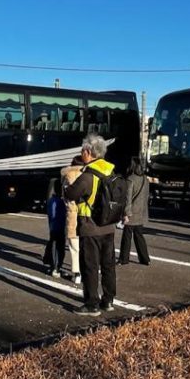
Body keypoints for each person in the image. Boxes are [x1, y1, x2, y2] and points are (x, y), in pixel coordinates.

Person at [65, 133, 119, 316]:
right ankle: (108, 300)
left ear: (88, 152)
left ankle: (91, 304)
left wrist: (66, 187)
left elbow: (71, 194)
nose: (81, 153)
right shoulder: (110, 171)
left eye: (83, 150)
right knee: (108, 265)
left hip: (90, 227)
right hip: (109, 226)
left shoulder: (88, 175)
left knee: (90, 266)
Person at [118, 156, 150, 265]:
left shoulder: (130, 179)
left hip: (132, 212)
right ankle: (145, 259)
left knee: (127, 237)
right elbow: (146, 196)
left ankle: (124, 259)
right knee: (139, 236)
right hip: (141, 212)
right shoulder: (145, 179)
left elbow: (128, 198)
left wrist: (126, 213)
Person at [60, 156, 84, 284]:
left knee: (74, 247)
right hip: (85, 214)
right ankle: (88, 270)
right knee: (86, 246)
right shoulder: (86, 175)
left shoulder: (66, 177)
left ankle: (77, 274)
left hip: (71, 215)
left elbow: (64, 197)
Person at [43, 179, 66, 277]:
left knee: (55, 245)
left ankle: (54, 265)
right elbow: (54, 215)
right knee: (58, 248)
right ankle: (55, 267)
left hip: (54, 227)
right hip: (58, 227)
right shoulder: (58, 201)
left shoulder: (52, 200)